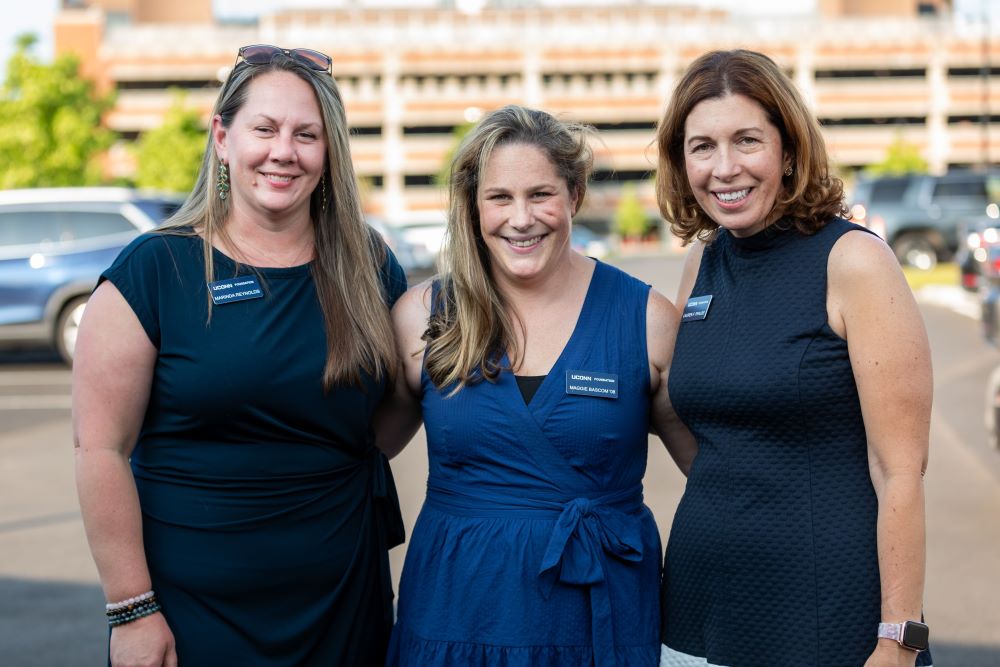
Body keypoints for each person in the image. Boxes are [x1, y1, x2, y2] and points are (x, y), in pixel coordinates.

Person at [73, 44, 407, 667]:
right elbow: (99, 451)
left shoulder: (368, 264)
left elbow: (394, 410)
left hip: (343, 602)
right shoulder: (154, 270)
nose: (285, 151)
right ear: (223, 137)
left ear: (330, 152)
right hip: (190, 610)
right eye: (266, 128)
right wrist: (131, 611)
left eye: (308, 134)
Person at [374, 104, 696, 667]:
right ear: (473, 208)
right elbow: (353, 456)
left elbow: (716, 475)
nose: (521, 219)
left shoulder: (644, 319)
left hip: (600, 616)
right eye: (499, 197)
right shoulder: (424, 317)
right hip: (455, 613)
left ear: (574, 195)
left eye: (540, 194)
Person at [655, 49, 933, 667]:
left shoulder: (854, 262)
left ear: (789, 149)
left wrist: (899, 638)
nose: (724, 168)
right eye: (702, 147)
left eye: (746, 140)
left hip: (825, 610)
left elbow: (901, 472)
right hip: (699, 602)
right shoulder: (700, 264)